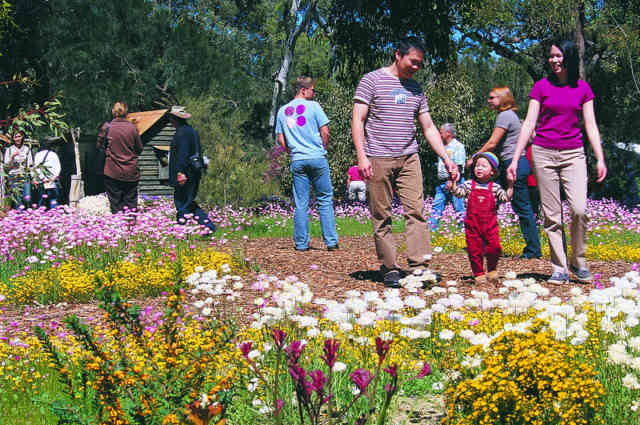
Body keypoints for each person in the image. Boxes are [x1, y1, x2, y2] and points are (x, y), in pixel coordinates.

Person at [352, 37, 459, 288]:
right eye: (413, 62)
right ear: (398, 55)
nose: (416, 68)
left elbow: (429, 127)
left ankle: (419, 266)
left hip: (409, 157)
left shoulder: (416, 89)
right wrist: (361, 156)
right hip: (377, 156)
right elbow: (358, 120)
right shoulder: (372, 80)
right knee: (382, 215)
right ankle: (389, 267)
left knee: (416, 211)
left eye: (420, 64)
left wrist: (446, 158)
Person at [507, 39, 607, 285]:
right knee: (552, 215)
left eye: (559, 55)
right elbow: (529, 123)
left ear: (569, 58)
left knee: (579, 210)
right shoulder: (541, 87)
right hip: (543, 153)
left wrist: (600, 157)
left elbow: (591, 125)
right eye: (551, 56)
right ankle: (559, 268)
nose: (554, 60)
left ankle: (578, 261)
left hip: (574, 154)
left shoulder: (583, 89)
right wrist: (516, 156)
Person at [468, 86, 542, 259]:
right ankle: (487, 244)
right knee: (492, 202)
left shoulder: (505, 115)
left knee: (521, 207)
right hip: (514, 164)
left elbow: (493, 142)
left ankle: (533, 250)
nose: (489, 100)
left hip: (513, 164)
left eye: (492, 97)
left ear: (503, 99)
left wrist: (476, 157)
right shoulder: (511, 116)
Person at [275, 76, 338, 251]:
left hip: (298, 160)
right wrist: (323, 148)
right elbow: (325, 131)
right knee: (324, 199)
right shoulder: (315, 107)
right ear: (304, 90)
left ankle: (301, 244)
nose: (314, 93)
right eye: (312, 90)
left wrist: (293, 152)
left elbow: (281, 139)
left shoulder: (282, 111)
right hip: (317, 157)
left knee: (301, 202)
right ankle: (331, 242)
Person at [451, 152, 513, 284]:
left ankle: (492, 269)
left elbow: (505, 198)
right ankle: (478, 273)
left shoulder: (495, 187)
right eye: (477, 165)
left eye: (484, 166)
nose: (479, 168)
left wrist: (511, 184)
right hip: (472, 224)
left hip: (490, 224)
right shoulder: (468, 185)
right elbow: (458, 194)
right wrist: (454, 182)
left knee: (494, 247)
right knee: (474, 249)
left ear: (492, 172)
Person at [167, 106, 217, 234]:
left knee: (181, 203)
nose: (170, 120)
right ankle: (208, 226)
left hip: (186, 174)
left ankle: (181, 231)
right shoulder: (191, 131)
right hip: (193, 173)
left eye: (171, 118)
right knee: (189, 202)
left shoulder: (182, 133)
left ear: (175, 119)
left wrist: (180, 172)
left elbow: (183, 154)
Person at [99, 101, 143, 214]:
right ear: (126, 112)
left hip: (112, 171)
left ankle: (119, 228)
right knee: (131, 204)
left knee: (116, 204)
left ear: (113, 112)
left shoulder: (107, 127)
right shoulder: (133, 128)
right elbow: (139, 149)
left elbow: (99, 146)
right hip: (131, 172)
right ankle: (131, 227)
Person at [430, 123, 466, 231]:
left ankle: (463, 231)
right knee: (437, 205)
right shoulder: (441, 146)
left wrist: (451, 180)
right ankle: (431, 230)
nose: (439, 135)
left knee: (458, 207)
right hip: (441, 183)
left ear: (448, 133)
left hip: (455, 182)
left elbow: (459, 166)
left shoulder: (458, 146)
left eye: (441, 132)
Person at [3, 130, 33, 208]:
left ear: (22, 137)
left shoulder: (27, 149)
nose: (17, 139)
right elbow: (6, 165)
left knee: (27, 197)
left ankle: (27, 214)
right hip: (13, 176)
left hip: (24, 176)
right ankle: (19, 217)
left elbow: (30, 164)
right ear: (13, 139)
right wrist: (12, 157)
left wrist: (32, 176)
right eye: (15, 137)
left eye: (19, 136)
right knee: (17, 199)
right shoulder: (9, 150)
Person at [32, 139, 61, 210]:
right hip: (52, 180)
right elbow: (58, 167)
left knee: (41, 199)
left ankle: (40, 216)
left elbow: (36, 168)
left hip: (42, 181)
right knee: (53, 199)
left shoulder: (37, 155)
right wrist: (54, 177)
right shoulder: (54, 154)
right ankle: (54, 214)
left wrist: (43, 178)